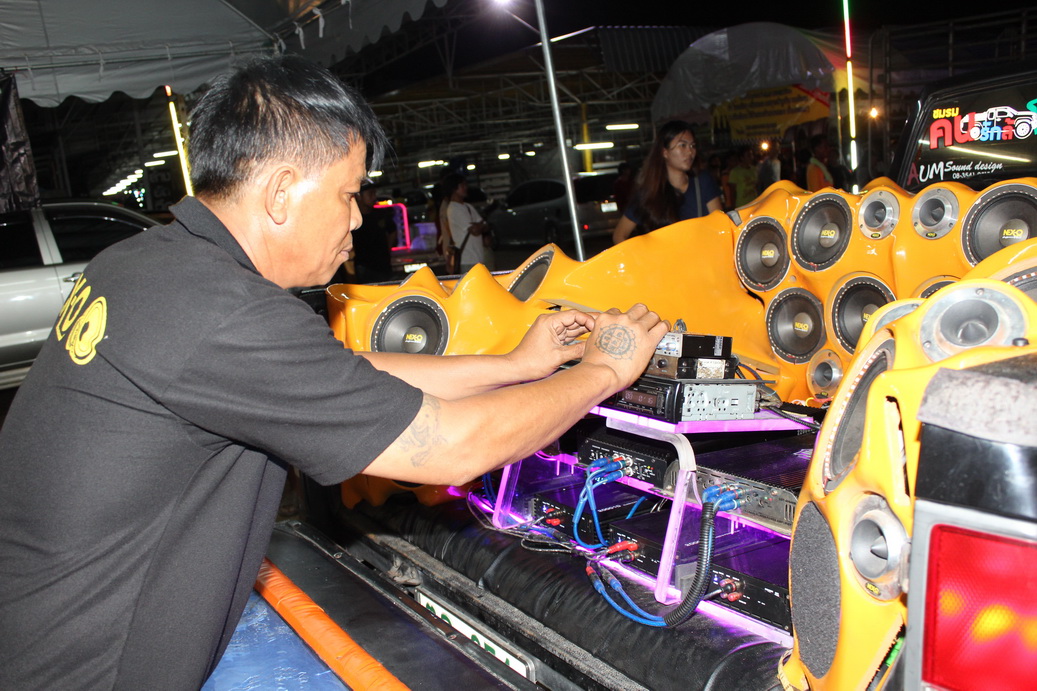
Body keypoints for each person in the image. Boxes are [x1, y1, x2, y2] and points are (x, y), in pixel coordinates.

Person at [0, 56, 667, 689]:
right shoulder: (224, 310)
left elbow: (339, 373)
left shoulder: (146, 264)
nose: (356, 218)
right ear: (281, 191)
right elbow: (453, 446)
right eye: (348, 193)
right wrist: (602, 371)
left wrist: (514, 365)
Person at [612, 121, 722, 244]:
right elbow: (619, 235)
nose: (690, 152)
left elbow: (719, 226)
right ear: (665, 152)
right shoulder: (649, 192)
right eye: (682, 145)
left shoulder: (703, 181)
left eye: (692, 146)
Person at [438, 172, 488, 272]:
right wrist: (480, 226)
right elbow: (475, 230)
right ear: (453, 189)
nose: (466, 187)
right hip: (467, 259)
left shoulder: (467, 206)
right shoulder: (454, 209)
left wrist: (479, 226)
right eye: (462, 185)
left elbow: (484, 226)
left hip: (476, 258)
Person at [349, 178, 394, 283]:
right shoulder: (354, 219)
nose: (374, 197)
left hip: (383, 266)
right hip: (364, 267)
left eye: (374, 193)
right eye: (370, 194)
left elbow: (392, 231)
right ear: (358, 196)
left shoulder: (380, 215)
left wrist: (387, 250)